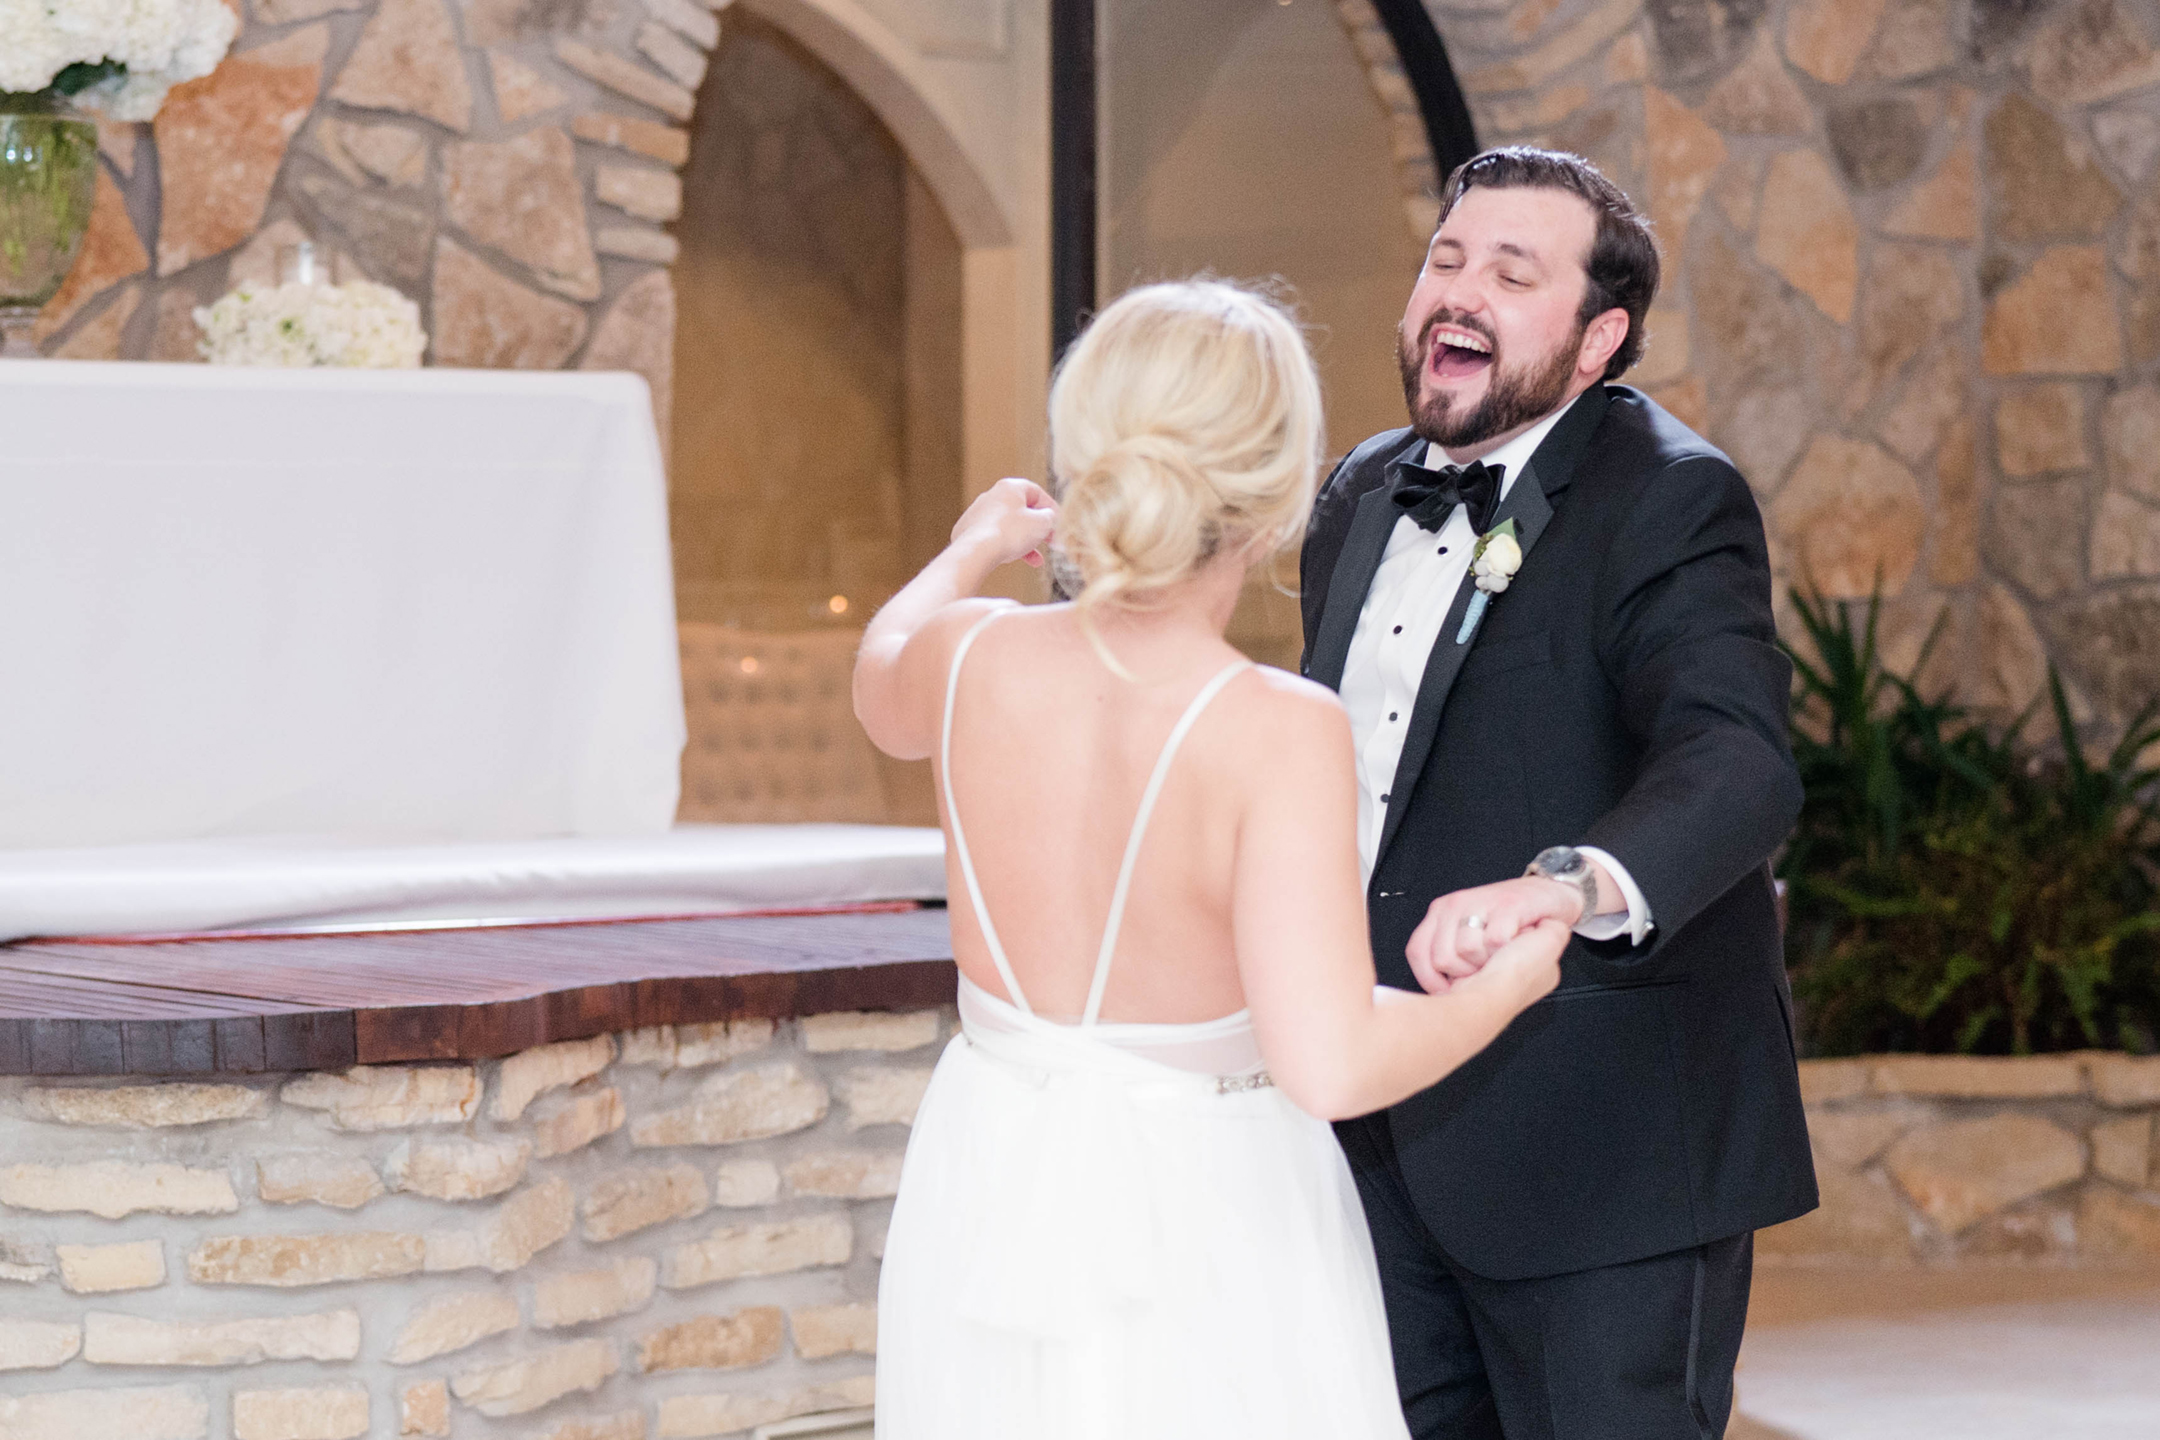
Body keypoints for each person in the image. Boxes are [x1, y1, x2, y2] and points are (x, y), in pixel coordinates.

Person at [855, 278, 1569, 1440]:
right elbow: (1330, 1063)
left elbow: (879, 671)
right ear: (1277, 499)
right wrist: (1509, 986)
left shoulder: (966, 656)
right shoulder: (1275, 729)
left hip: (985, 1176)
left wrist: (969, 550)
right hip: (1204, 1206)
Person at [1300, 146, 1817, 1440]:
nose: (1459, 290)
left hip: (1604, 1152)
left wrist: (1571, 885)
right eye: (1446, 259)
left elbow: (1736, 758)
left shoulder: (1671, 495)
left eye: (1512, 273)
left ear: (1598, 341)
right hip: (1370, 1136)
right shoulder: (1360, 492)